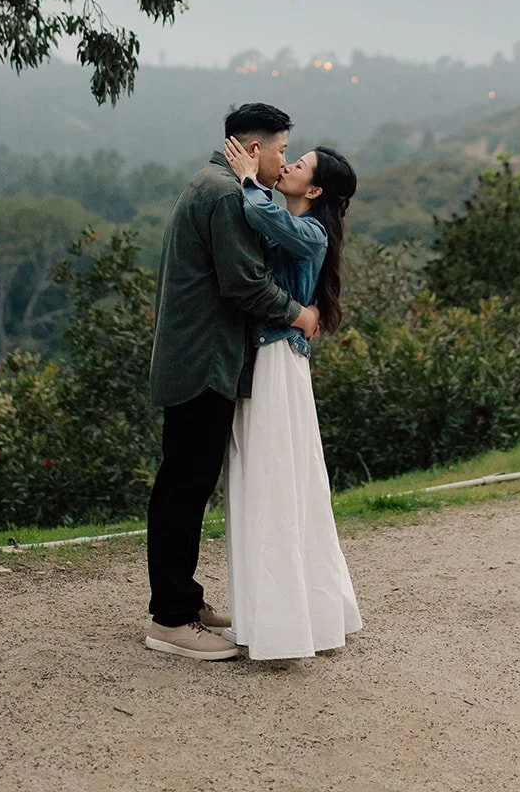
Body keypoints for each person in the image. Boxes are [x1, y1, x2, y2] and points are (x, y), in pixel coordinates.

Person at [145, 103, 321, 661]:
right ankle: (170, 619)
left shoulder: (216, 183)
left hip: (199, 355)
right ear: (252, 147)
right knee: (185, 484)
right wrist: (299, 314)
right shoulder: (225, 194)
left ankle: (185, 602)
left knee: (188, 481)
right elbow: (244, 283)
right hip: (203, 360)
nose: (283, 160)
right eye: (280, 150)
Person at [222, 136, 363, 660]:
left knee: (277, 473)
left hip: (279, 359)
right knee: (272, 474)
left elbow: (271, 222)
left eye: (298, 164)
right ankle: (284, 614)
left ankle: (287, 622)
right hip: (273, 355)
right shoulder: (301, 225)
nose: (288, 165)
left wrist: (247, 181)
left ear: (315, 187)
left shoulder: (312, 231)